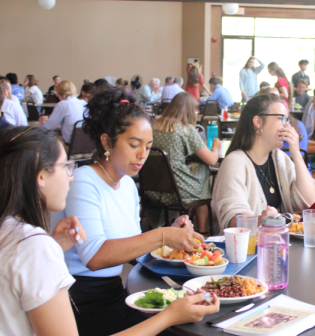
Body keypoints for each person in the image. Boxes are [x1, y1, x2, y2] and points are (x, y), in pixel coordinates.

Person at [0, 126, 219, 336]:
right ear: (41, 177)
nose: (71, 176)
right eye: (65, 166)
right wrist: (168, 317)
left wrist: (54, 247)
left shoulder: (11, 232)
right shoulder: (34, 245)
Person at [50, 86, 207, 335]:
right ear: (106, 142)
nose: (142, 155)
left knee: (193, 320)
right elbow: (94, 258)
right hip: (80, 301)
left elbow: (131, 249)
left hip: (116, 292)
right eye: (134, 144)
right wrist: (161, 235)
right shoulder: (82, 181)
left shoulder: (126, 184)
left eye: (148, 146)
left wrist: (170, 237)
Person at [213, 94, 315, 230]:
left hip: (280, 244)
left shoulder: (279, 158)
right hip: (250, 247)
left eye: (287, 119)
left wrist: (296, 153)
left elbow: (310, 203)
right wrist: (263, 220)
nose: (287, 125)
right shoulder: (234, 162)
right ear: (258, 122)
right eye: (280, 118)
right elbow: (232, 219)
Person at [146, 92, 220, 233]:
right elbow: (212, 159)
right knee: (203, 168)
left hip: (152, 188)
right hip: (177, 189)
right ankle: (202, 231)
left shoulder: (153, 126)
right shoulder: (186, 129)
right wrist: (216, 148)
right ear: (190, 110)